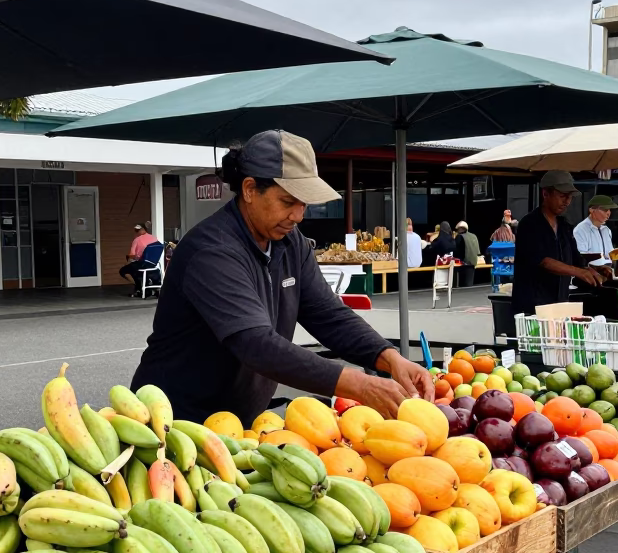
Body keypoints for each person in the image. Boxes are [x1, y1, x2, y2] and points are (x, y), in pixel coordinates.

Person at [131, 129, 434, 423]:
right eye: (288, 202)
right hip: (173, 420)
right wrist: (360, 385)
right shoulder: (212, 252)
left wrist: (388, 357)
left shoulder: (290, 242)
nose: (298, 215)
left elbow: (327, 314)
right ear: (249, 190)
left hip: (239, 423)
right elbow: (256, 344)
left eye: (304, 203)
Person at [511, 170, 602, 315]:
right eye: (562, 196)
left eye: (570, 197)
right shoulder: (529, 224)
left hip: (559, 303)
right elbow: (543, 261)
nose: (567, 201)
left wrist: (593, 271)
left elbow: (576, 258)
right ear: (545, 194)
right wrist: (579, 272)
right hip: (532, 306)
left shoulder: (564, 226)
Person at [572, 195, 618, 272]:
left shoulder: (607, 230)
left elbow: (610, 253)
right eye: (605, 210)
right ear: (592, 210)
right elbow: (581, 257)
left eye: (609, 210)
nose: (608, 213)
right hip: (591, 272)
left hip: (607, 271)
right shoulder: (580, 229)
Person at [120, 221, 162, 296]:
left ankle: (140, 287)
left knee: (123, 270)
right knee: (135, 268)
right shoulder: (154, 238)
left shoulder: (137, 240)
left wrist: (127, 262)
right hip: (153, 263)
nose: (137, 232)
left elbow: (132, 255)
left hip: (142, 263)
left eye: (137, 230)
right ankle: (147, 286)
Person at [453, 221, 480, 287]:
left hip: (463, 264)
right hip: (473, 263)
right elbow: (477, 252)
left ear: (461, 228)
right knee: (469, 284)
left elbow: (456, 250)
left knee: (463, 285)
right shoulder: (474, 236)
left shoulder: (459, 237)